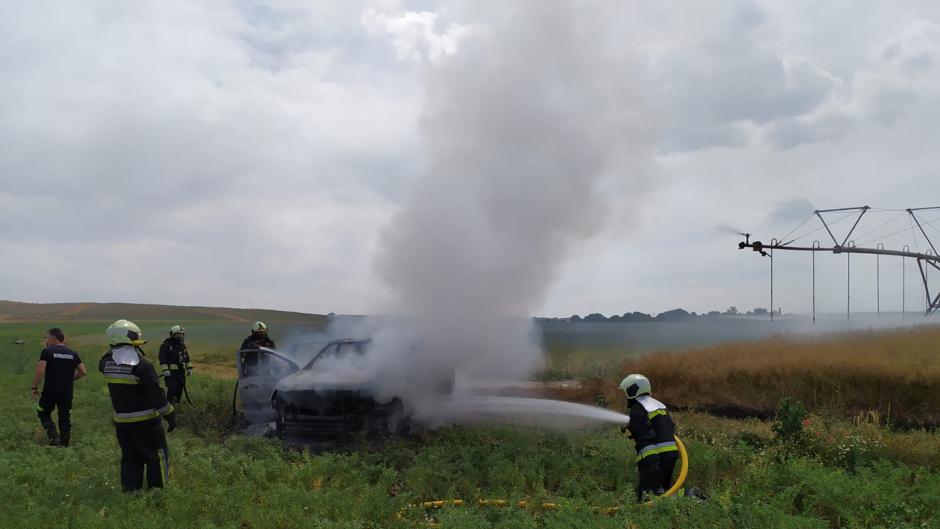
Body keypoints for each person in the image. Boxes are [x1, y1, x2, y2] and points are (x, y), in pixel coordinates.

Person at [99, 319, 176, 491]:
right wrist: (170, 415)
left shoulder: (106, 363)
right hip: (147, 423)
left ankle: (130, 492)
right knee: (156, 457)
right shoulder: (142, 365)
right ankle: (158, 493)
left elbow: (106, 358)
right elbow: (156, 395)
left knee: (130, 458)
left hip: (122, 424)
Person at [619, 373, 679, 502]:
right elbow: (664, 427)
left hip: (652, 457)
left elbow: (644, 434)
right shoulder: (659, 405)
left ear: (633, 390)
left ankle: (644, 515)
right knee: (662, 491)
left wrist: (631, 428)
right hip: (670, 455)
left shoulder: (637, 408)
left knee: (646, 496)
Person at [31, 328, 86, 446]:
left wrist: (34, 387)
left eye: (46, 337)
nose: (45, 340)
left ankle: (54, 437)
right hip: (67, 391)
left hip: (50, 391)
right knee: (64, 417)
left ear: (53, 338)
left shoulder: (47, 351)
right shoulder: (73, 353)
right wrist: (69, 380)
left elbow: (40, 372)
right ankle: (64, 444)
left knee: (43, 413)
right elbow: (83, 372)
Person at [159, 325, 192, 404]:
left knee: (180, 389)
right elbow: (162, 358)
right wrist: (165, 369)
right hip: (171, 373)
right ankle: (168, 405)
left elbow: (186, 357)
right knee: (172, 388)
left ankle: (176, 404)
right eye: (178, 334)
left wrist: (189, 367)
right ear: (172, 335)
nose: (180, 337)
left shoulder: (182, 346)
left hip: (181, 372)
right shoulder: (166, 345)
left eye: (182, 335)